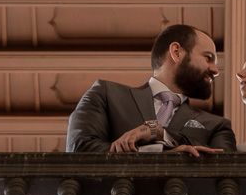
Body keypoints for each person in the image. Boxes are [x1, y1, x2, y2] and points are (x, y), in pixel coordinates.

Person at [65, 23, 237, 156]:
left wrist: (160, 133)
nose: (215, 70)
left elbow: (227, 167)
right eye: (208, 58)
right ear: (176, 52)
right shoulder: (105, 94)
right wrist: (158, 156)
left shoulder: (218, 126)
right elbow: (79, 150)